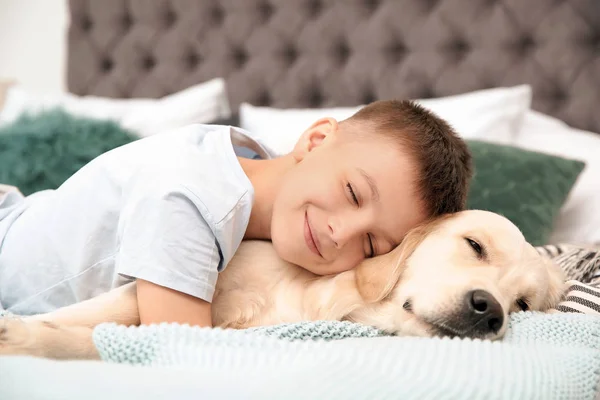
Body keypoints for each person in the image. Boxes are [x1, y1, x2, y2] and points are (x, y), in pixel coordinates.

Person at [0, 100, 472, 326]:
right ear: (316, 140)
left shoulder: (263, 175)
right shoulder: (189, 199)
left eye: (371, 245)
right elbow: (177, 353)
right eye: (352, 192)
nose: (340, 232)